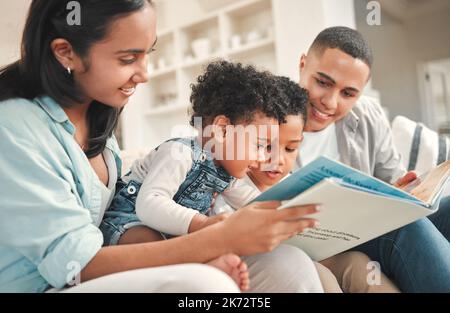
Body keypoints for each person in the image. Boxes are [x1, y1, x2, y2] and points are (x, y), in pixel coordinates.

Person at [0, 0, 323, 293]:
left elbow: (248, 200)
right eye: (128, 58)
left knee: (286, 264)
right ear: (66, 52)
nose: (145, 75)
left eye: (147, 54)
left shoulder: (98, 124)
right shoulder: (14, 127)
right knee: (204, 285)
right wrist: (214, 238)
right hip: (51, 285)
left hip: (107, 265)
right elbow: (76, 265)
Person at [296, 26, 450, 292]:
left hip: (368, 228)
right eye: (323, 82)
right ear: (302, 65)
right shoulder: (268, 119)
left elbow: (393, 180)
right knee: (407, 228)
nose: (331, 102)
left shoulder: (368, 115)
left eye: (348, 93)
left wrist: (403, 190)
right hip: (321, 243)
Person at [214, 76, 400, 293]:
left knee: (362, 265)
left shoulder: (292, 181)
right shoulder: (231, 185)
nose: (278, 160)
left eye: (290, 149)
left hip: (314, 254)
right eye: (265, 146)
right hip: (274, 263)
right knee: (321, 275)